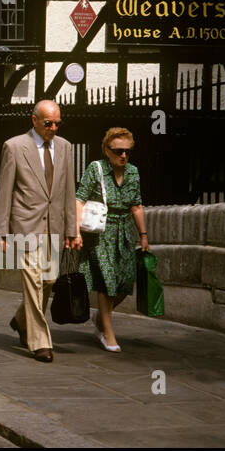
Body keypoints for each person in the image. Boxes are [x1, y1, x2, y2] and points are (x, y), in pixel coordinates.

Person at [0, 99, 79, 363]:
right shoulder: (14, 146)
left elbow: (68, 191)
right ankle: (40, 342)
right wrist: (1, 233)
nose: (53, 128)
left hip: (53, 226)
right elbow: (4, 191)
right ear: (34, 120)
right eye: (48, 123)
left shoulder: (65, 147)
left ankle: (21, 321)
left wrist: (71, 229)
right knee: (32, 280)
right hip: (25, 226)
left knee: (49, 281)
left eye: (57, 123)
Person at [77, 127, 148, 352]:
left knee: (125, 283)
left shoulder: (133, 172)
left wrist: (143, 235)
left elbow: (136, 205)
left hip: (125, 232)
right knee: (106, 282)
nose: (123, 156)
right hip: (101, 232)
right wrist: (76, 232)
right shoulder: (95, 169)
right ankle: (107, 333)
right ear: (107, 150)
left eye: (127, 151)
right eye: (118, 151)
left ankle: (101, 316)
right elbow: (79, 200)